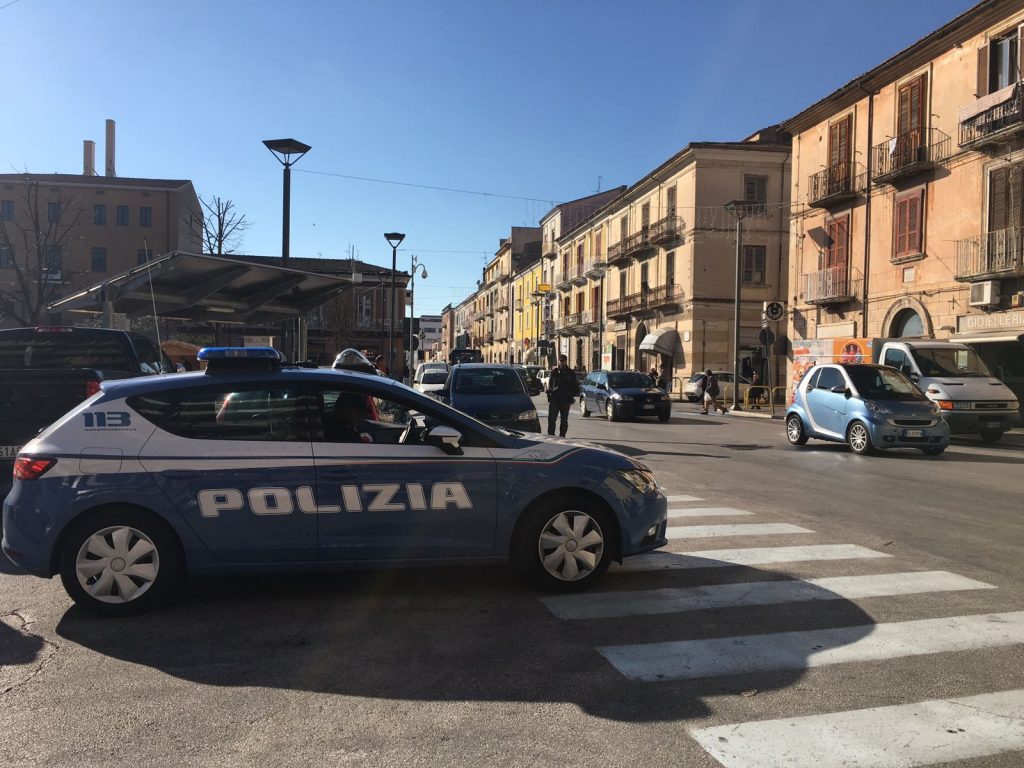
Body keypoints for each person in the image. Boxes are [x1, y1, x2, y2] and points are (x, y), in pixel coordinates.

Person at [546, 354, 579, 437]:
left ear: (566, 361)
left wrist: (571, 396)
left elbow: (575, 387)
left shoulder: (570, 373)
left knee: (564, 420)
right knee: (551, 419)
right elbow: (550, 385)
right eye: (560, 361)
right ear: (558, 361)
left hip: (565, 399)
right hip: (555, 399)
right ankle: (551, 435)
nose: (562, 362)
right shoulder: (554, 372)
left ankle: (562, 436)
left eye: (563, 361)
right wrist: (549, 392)